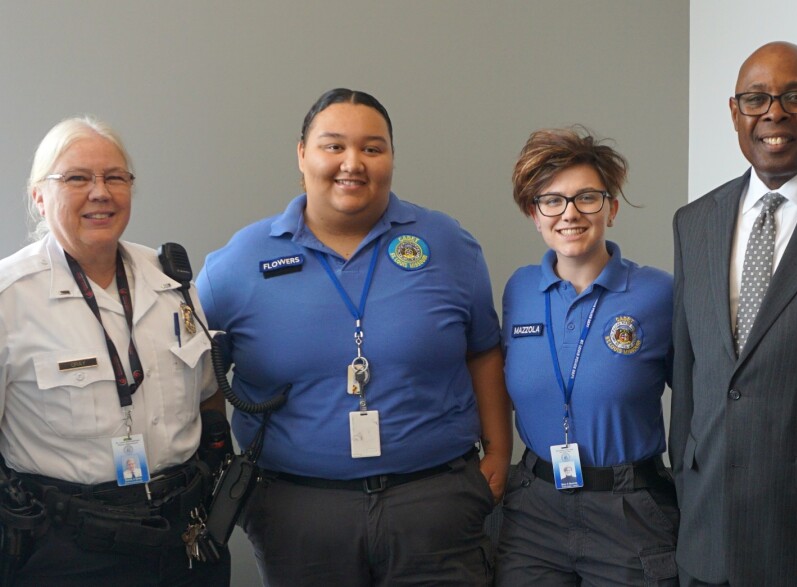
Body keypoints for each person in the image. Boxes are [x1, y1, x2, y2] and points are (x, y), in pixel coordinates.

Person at [196, 88, 511, 586]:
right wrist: (217, 464)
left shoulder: (448, 244)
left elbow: (483, 350)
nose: (353, 163)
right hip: (298, 511)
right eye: (333, 146)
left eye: (372, 148)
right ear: (301, 154)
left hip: (435, 503)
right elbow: (199, 376)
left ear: (390, 157)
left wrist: (498, 454)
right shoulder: (237, 265)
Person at [671, 41, 797, 586]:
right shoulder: (694, 222)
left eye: (795, 97)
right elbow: (689, 380)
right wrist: (684, 499)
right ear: (735, 112)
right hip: (706, 538)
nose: (774, 113)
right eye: (756, 98)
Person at [0, 116, 231, 586]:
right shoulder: (10, 299)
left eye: (115, 177)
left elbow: (209, 389)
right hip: (68, 548)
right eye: (77, 178)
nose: (100, 192)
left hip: (183, 534)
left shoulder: (171, 281)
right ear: (38, 196)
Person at [496, 127, 677, 586]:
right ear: (533, 214)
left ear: (611, 208)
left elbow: (706, 404)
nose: (569, 213)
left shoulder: (658, 294)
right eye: (551, 201)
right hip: (533, 511)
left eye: (587, 198)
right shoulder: (519, 290)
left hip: (627, 509)